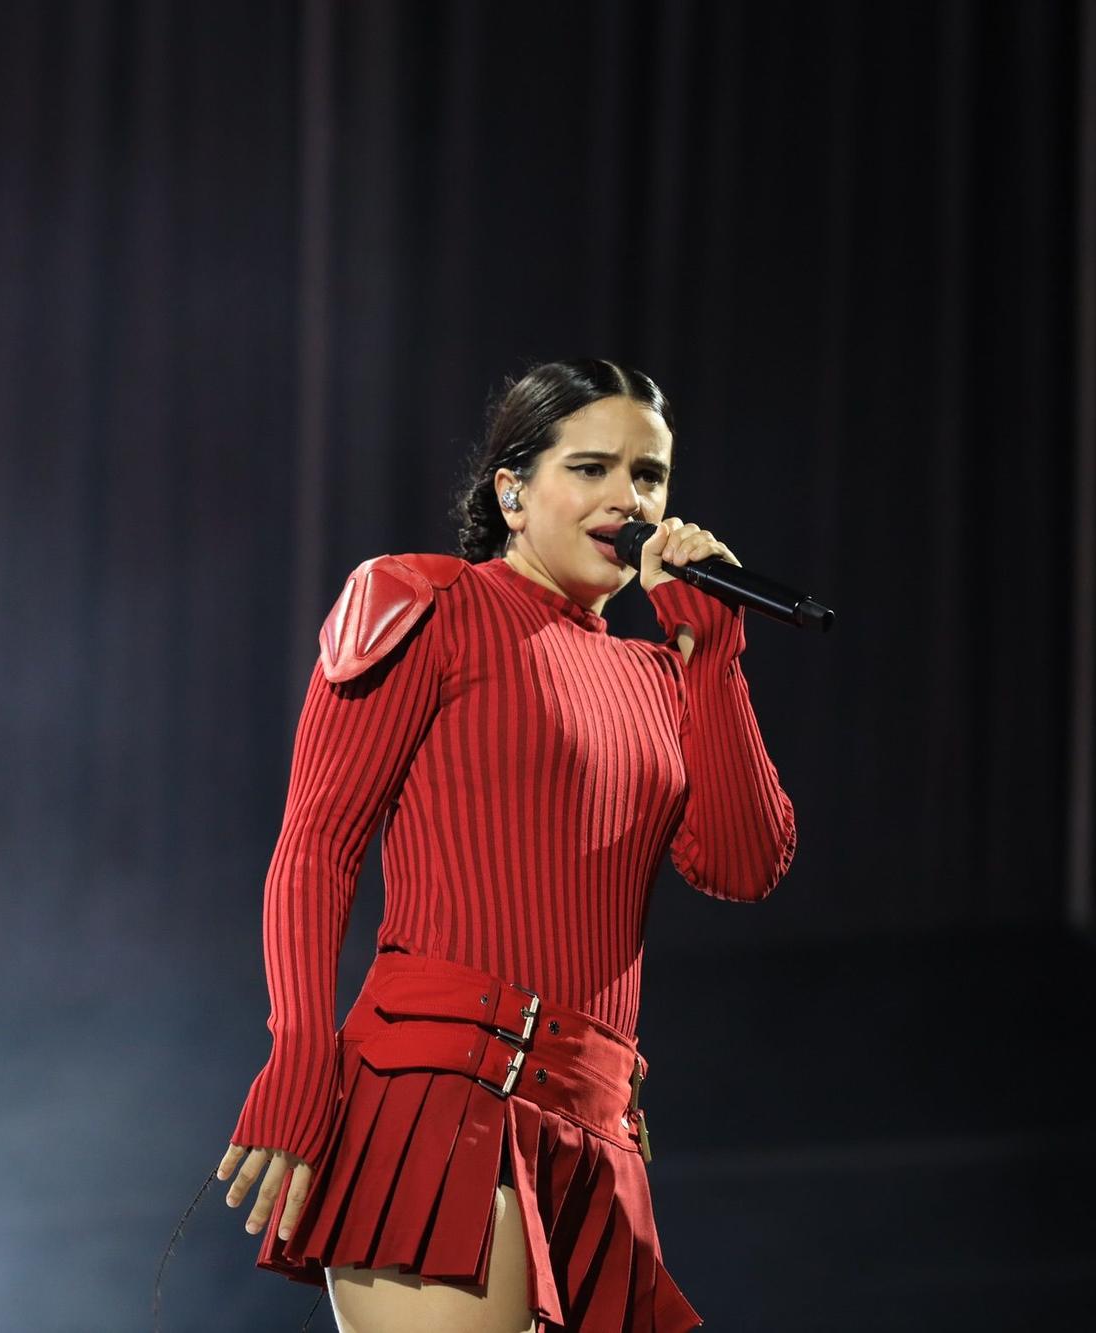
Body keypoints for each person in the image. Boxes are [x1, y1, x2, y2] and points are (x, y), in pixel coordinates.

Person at [218, 360, 797, 1332]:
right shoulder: (426, 603)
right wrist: (298, 1058)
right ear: (512, 492)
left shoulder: (659, 677)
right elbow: (315, 846)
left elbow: (741, 864)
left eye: (648, 477)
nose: (629, 500)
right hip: (440, 1102)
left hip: (598, 1131)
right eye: (592, 467)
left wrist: (715, 655)